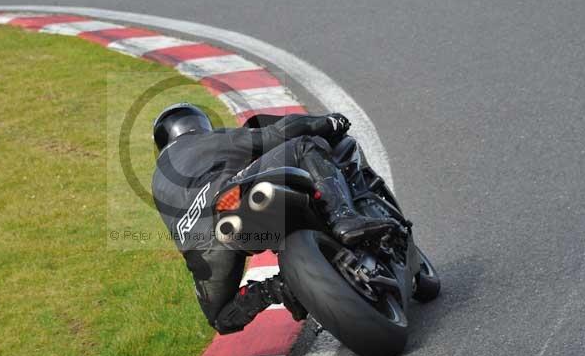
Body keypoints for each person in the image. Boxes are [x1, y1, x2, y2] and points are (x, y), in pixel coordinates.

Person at [151, 103, 399, 334]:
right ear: (195, 125)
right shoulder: (201, 140)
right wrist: (327, 123)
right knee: (303, 145)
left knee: (221, 318)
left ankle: (279, 289)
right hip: (228, 198)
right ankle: (343, 217)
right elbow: (275, 135)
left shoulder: (158, 182)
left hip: (204, 248)